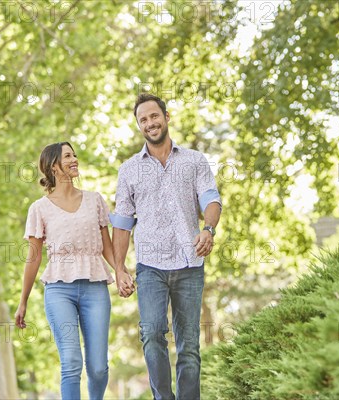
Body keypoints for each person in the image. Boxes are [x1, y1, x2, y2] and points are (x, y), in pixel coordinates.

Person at [110, 93, 222, 400]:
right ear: (139, 126)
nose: (150, 123)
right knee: (151, 334)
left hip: (189, 265)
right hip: (149, 267)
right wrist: (119, 269)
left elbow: (211, 199)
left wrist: (208, 230)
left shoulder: (194, 161)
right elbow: (121, 223)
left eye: (154, 116)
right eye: (143, 120)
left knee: (189, 346)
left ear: (166, 117)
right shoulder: (129, 170)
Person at [14, 142, 134, 400]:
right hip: (59, 291)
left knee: (99, 368)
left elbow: (106, 246)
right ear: (53, 166)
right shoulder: (39, 208)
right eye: (68, 156)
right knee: (70, 362)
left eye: (75, 155)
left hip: (95, 288)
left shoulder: (94, 200)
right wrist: (22, 301)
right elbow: (33, 258)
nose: (74, 159)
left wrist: (121, 271)